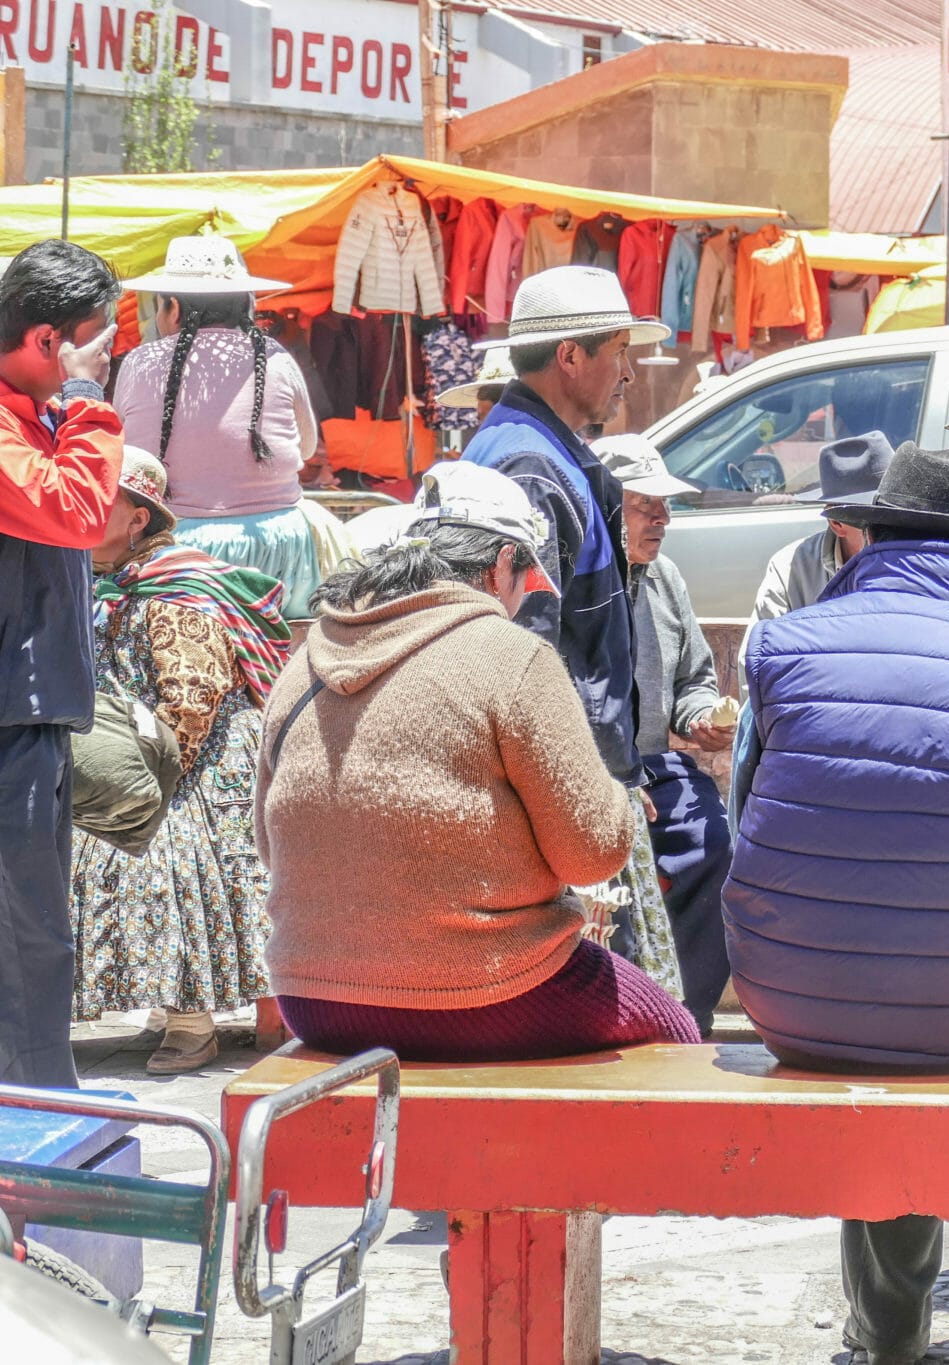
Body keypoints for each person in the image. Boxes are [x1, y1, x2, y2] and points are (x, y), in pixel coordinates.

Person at [723, 443, 949, 1365]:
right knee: (921, 1013)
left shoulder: (784, 643)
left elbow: (742, 822)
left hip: (789, 991)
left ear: (867, 538)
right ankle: (891, 1324)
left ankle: (885, 1327)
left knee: (869, 1000)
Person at [255, 461, 698, 1060]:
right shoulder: (513, 657)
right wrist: (618, 797)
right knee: (675, 1032)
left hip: (311, 1002)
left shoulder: (304, 662)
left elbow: (267, 842)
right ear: (500, 565)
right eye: (526, 581)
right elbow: (592, 851)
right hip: (483, 991)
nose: (522, 603)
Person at [71, 448, 290, 1072]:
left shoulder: (175, 589)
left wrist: (144, 786)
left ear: (138, 518)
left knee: (161, 865)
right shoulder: (102, 583)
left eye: (99, 497)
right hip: (130, 746)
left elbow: (192, 697)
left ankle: (191, 1022)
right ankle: (171, 1009)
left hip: (188, 757)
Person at [463, 265, 670, 788]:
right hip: (566, 784)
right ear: (571, 356)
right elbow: (524, 663)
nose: (629, 373)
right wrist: (589, 793)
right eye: (620, 351)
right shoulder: (531, 467)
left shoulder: (535, 450)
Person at [0, 239, 123, 1089]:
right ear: (49, 341)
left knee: (34, 940)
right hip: (11, 720)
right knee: (31, 940)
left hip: (28, 714)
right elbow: (79, 511)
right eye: (98, 341)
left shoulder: (29, 415)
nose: (109, 356)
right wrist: (85, 400)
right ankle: (40, 1126)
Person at [114, 236, 341, 620]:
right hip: (282, 555)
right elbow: (305, 450)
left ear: (172, 307)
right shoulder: (276, 358)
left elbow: (127, 455)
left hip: (175, 558)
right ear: (244, 305)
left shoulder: (140, 362)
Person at [593, 432, 735, 1039]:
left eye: (666, 505)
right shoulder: (580, 584)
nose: (662, 518)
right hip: (592, 771)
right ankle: (621, 1016)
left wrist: (700, 717)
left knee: (717, 846)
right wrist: (613, 778)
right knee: (615, 866)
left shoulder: (664, 577)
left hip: (656, 766)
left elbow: (693, 678)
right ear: (604, 505)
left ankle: (689, 1017)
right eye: (644, 504)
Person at [751, 430, 892, 624]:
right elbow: (761, 649)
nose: (893, 531)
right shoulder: (790, 568)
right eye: (876, 524)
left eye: (897, 516)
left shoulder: (919, 560)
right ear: (836, 523)